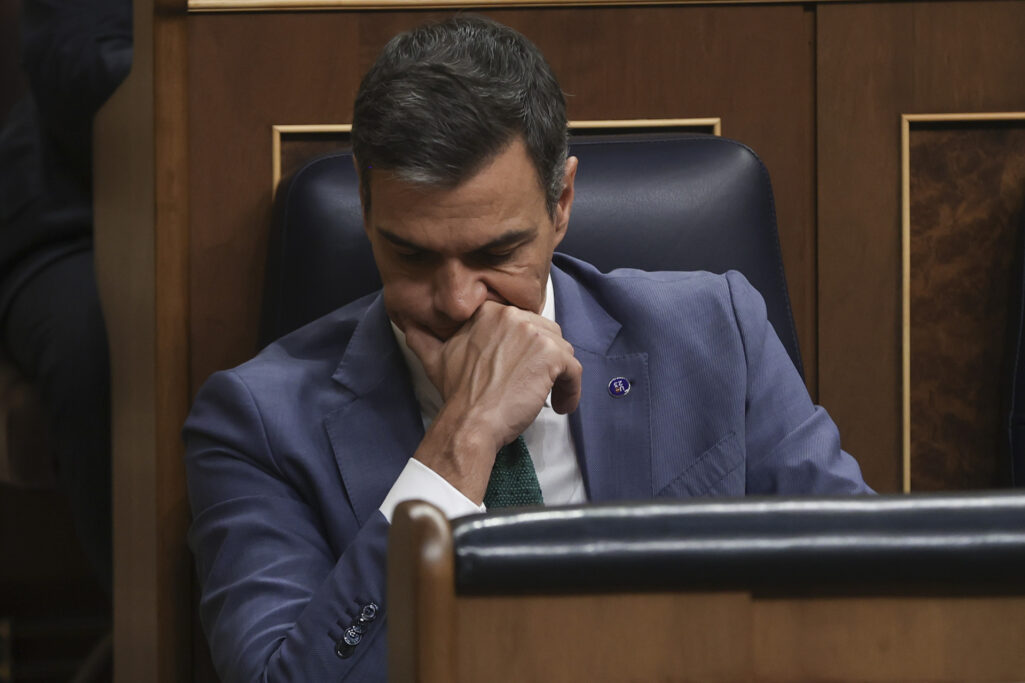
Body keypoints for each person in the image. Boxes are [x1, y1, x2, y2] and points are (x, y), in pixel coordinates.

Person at [184, 15, 871, 682]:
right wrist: (460, 443)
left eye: (496, 251)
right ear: (367, 213)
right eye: (411, 254)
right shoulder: (255, 423)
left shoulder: (717, 332)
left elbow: (867, 591)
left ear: (561, 202)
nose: (456, 300)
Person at [0, 0, 132, 593]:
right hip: (80, 216)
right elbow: (82, 72)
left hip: (303, 185)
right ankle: (153, 629)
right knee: (106, 335)